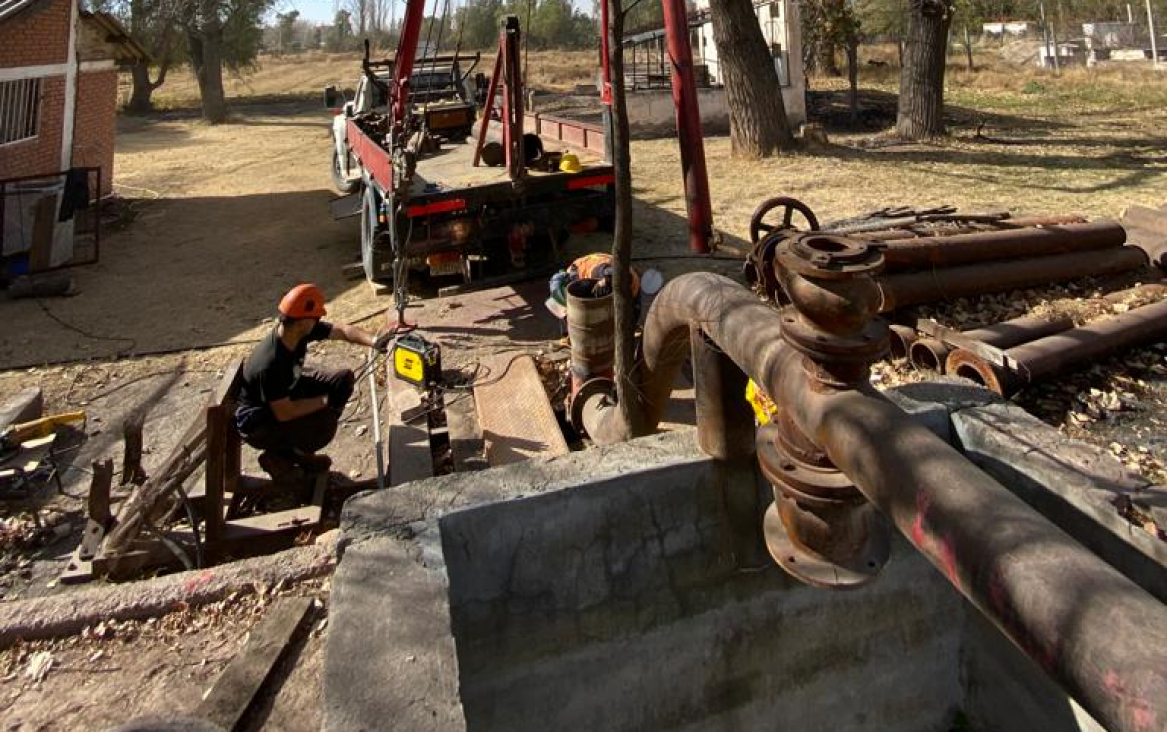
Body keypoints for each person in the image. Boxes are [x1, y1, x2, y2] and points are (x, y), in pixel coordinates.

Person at [235, 283, 386, 481]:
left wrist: (375, 341)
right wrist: (325, 402)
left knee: (342, 381)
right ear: (302, 322)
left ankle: (300, 452)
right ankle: (281, 456)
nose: (319, 321)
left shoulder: (297, 330)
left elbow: (341, 330)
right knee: (325, 421)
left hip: (286, 395)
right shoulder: (270, 363)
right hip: (260, 423)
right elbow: (285, 412)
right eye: (316, 318)